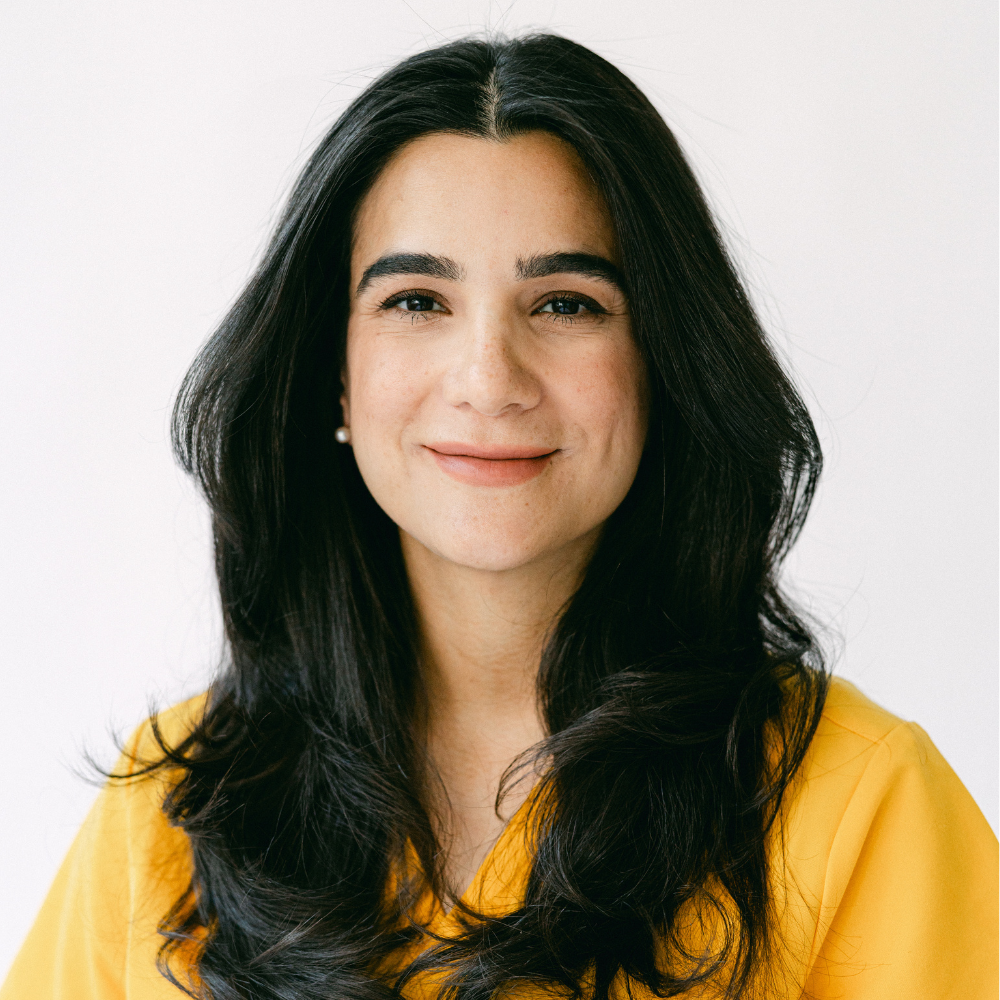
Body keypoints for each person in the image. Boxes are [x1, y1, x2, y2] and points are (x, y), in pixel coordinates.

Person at [3, 33, 996, 1000]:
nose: (487, 379)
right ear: (332, 377)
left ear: (664, 365)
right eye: (416, 301)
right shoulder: (167, 816)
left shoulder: (858, 803)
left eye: (565, 303)